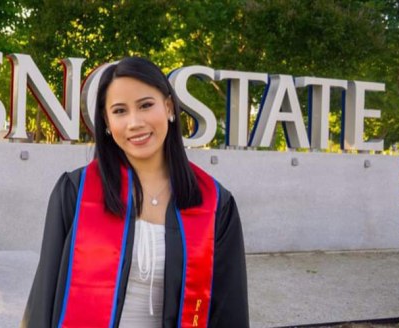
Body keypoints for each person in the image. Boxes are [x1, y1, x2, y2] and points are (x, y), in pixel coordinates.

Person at [21, 57, 248, 328]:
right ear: (105, 121)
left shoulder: (214, 204)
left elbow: (228, 311)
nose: (134, 122)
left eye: (145, 105)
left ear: (168, 106)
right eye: (119, 111)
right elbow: (43, 300)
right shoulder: (76, 193)